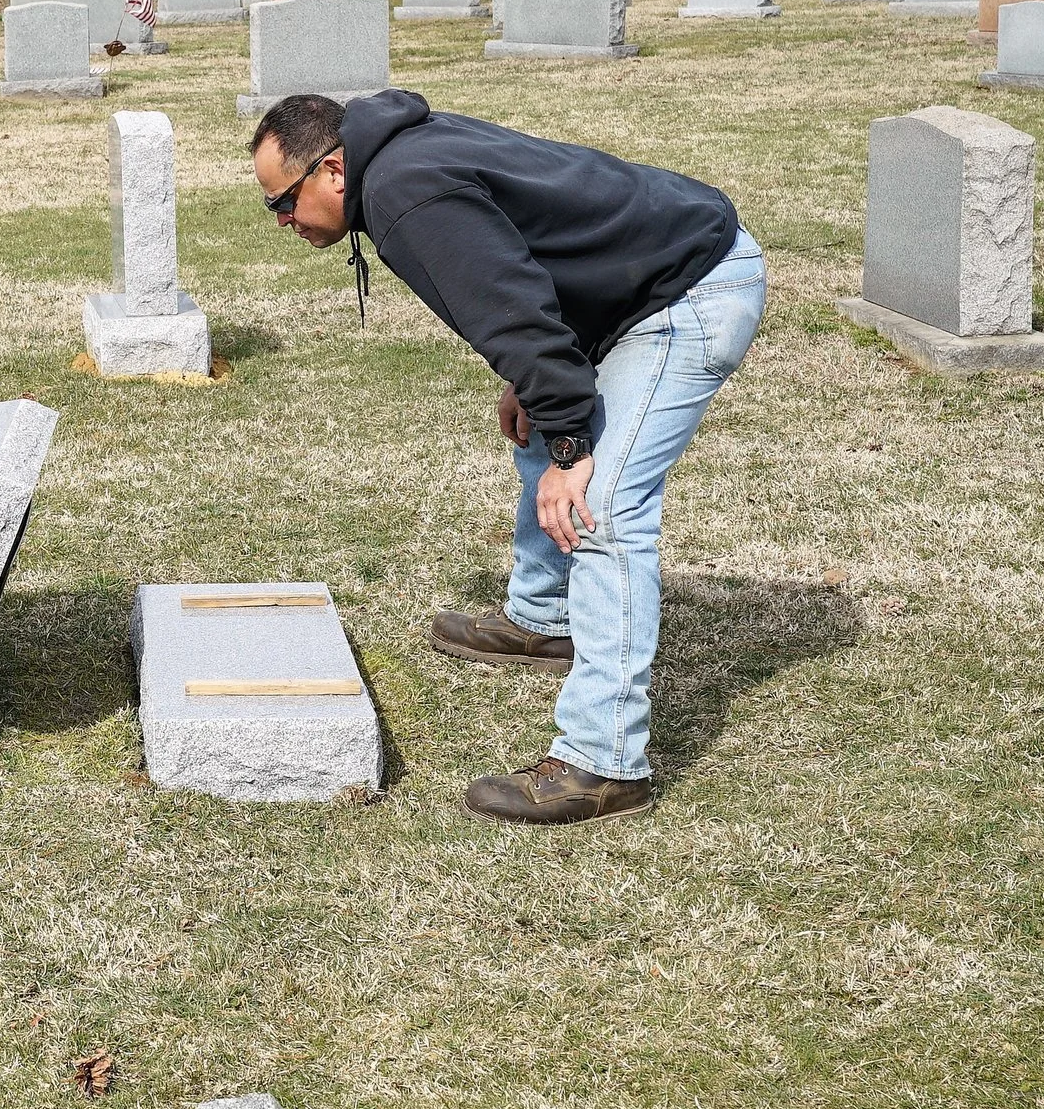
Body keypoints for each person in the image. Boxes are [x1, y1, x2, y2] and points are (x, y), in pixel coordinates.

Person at [248, 90, 766, 825]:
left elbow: (510, 302)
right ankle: (545, 619)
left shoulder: (403, 187)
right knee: (539, 428)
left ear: (333, 170)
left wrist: (574, 444)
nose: (281, 222)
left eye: (282, 201)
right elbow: (521, 257)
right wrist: (539, 390)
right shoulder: (397, 162)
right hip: (636, 288)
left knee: (601, 508)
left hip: (690, 294)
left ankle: (605, 764)